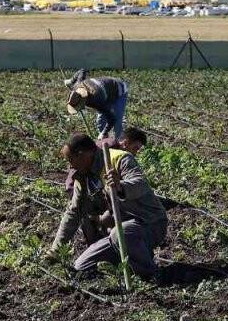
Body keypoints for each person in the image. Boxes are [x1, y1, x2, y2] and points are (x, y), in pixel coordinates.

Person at [48, 133, 167, 280]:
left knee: (121, 233)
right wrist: (56, 250)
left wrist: (120, 186)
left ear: (84, 154)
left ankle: (151, 273)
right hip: (115, 231)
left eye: (71, 159)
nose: (70, 166)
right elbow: (74, 212)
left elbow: (141, 184)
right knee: (80, 267)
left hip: (149, 222)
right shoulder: (81, 177)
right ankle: (128, 261)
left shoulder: (119, 159)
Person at [61, 126, 149, 247]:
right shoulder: (90, 164)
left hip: (121, 214)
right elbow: (74, 210)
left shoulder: (112, 156)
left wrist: (120, 187)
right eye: (135, 148)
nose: (135, 152)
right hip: (92, 200)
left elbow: (138, 185)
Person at [64, 70, 127, 139]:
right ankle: (105, 141)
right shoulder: (77, 86)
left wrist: (104, 133)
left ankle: (118, 141)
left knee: (117, 121)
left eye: (79, 106)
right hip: (106, 91)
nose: (79, 109)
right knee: (100, 122)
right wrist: (71, 81)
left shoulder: (95, 100)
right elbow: (82, 71)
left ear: (84, 101)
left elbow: (111, 118)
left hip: (119, 90)